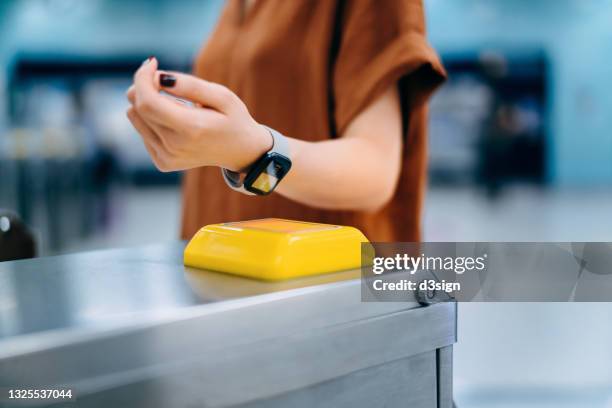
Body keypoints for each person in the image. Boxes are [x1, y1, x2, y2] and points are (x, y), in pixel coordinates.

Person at [126, 0, 445, 242]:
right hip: (219, 276)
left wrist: (258, 155)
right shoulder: (235, 7)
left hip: (318, 295)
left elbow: (376, 171)